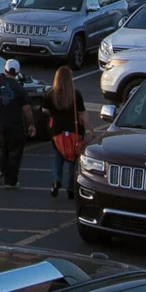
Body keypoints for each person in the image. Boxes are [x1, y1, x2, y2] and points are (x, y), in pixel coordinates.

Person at [0, 58, 35, 187]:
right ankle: (11, 181)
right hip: (15, 126)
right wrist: (31, 125)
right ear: (17, 73)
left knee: (1, 148)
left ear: (5, 69)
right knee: (15, 152)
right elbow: (27, 109)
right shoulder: (19, 88)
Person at [44, 64, 87, 199]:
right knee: (74, 159)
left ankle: (56, 180)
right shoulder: (75, 94)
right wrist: (90, 129)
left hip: (57, 130)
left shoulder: (51, 94)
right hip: (74, 131)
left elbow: (45, 111)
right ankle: (71, 188)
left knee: (58, 156)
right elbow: (82, 113)